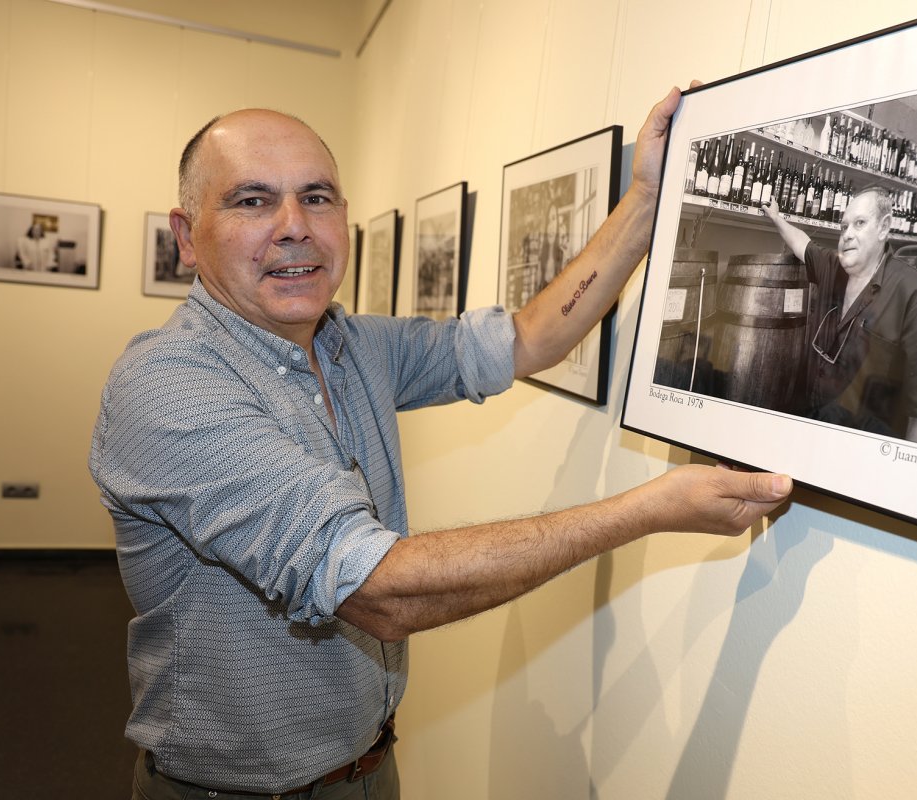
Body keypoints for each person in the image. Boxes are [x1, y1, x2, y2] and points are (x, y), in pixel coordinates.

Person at [90, 88, 793, 799]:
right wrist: (649, 509)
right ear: (186, 235)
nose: (294, 226)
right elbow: (374, 591)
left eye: (318, 197)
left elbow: (527, 338)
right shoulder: (167, 386)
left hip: (370, 767)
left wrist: (645, 199)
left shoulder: (354, 345)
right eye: (250, 201)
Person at [762, 188, 917, 445]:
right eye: (844, 227)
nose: (848, 235)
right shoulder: (834, 268)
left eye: (860, 223)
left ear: (883, 228)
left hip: (865, 451)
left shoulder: (915, 296)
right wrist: (776, 218)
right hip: (812, 431)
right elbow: (802, 243)